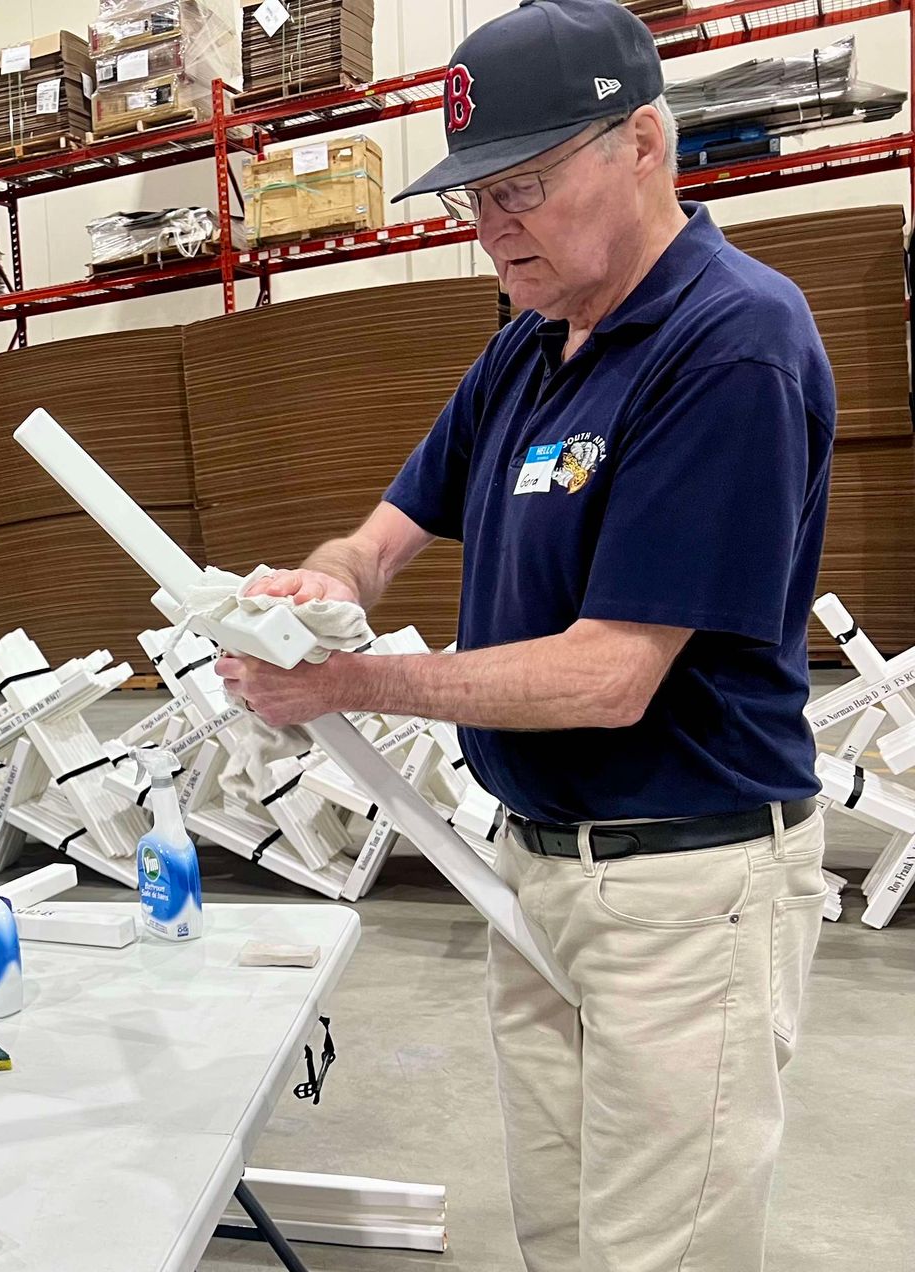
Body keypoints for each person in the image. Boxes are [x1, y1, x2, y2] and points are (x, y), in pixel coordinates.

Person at [215, 4, 832, 1269]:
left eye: (522, 187)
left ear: (644, 143)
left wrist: (352, 678)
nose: (492, 227)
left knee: (657, 1251)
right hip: (535, 875)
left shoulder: (729, 346)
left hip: (682, 891)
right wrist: (317, 590)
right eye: (471, 198)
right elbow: (381, 538)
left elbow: (611, 674)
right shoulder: (525, 349)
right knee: (558, 1235)